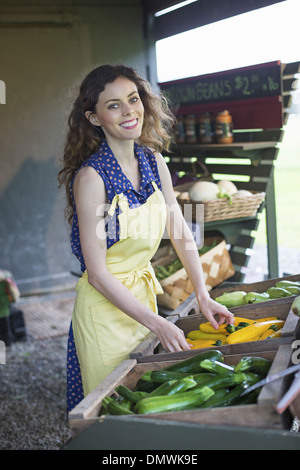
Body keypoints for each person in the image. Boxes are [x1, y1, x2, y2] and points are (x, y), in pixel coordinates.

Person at [58, 64, 234, 412]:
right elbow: (97, 273)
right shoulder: (92, 179)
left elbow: (179, 230)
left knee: (150, 402)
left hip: (142, 301)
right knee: (114, 412)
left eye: (133, 99)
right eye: (114, 105)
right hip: (104, 314)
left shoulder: (153, 161)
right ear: (94, 119)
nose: (128, 111)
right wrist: (159, 323)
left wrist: (203, 293)